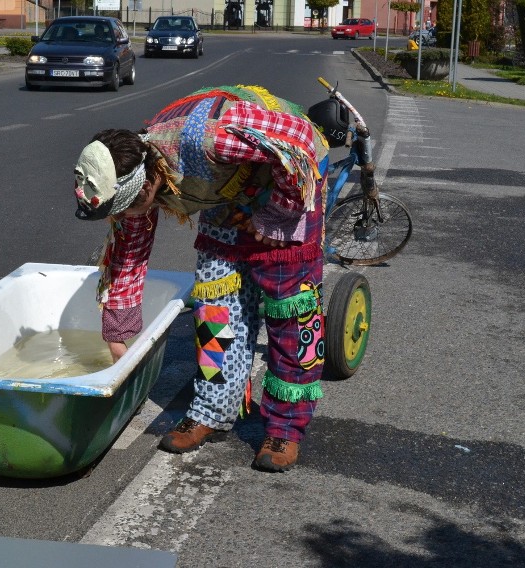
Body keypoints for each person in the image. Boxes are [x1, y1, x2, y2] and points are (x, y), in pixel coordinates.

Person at [72, 85, 346, 472]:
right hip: (229, 187)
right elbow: (128, 256)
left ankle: (285, 427)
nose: (130, 214)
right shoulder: (137, 178)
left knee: (290, 313)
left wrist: (274, 218)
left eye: (131, 204)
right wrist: (118, 333)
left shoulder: (208, 137)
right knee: (215, 308)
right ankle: (212, 410)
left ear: (148, 179)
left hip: (290, 177)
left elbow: (298, 142)